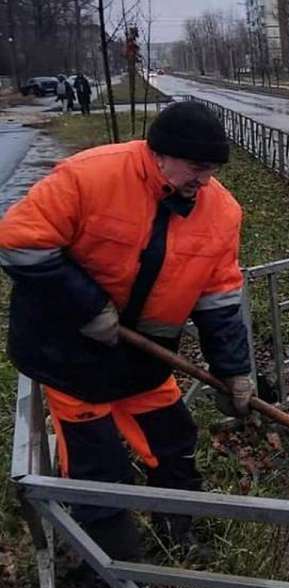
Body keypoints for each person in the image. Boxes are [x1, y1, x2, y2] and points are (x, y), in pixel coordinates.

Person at [0, 101, 255, 560]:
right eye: (197, 167)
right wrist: (89, 308)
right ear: (160, 153)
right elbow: (20, 243)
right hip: (68, 356)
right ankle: (115, 567)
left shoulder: (221, 213)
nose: (205, 180)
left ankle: (180, 537)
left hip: (146, 360)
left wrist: (234, 371)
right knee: (99, 467)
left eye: (212, 169)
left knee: (174, 444)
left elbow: (219, 300)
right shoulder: (91, 177)